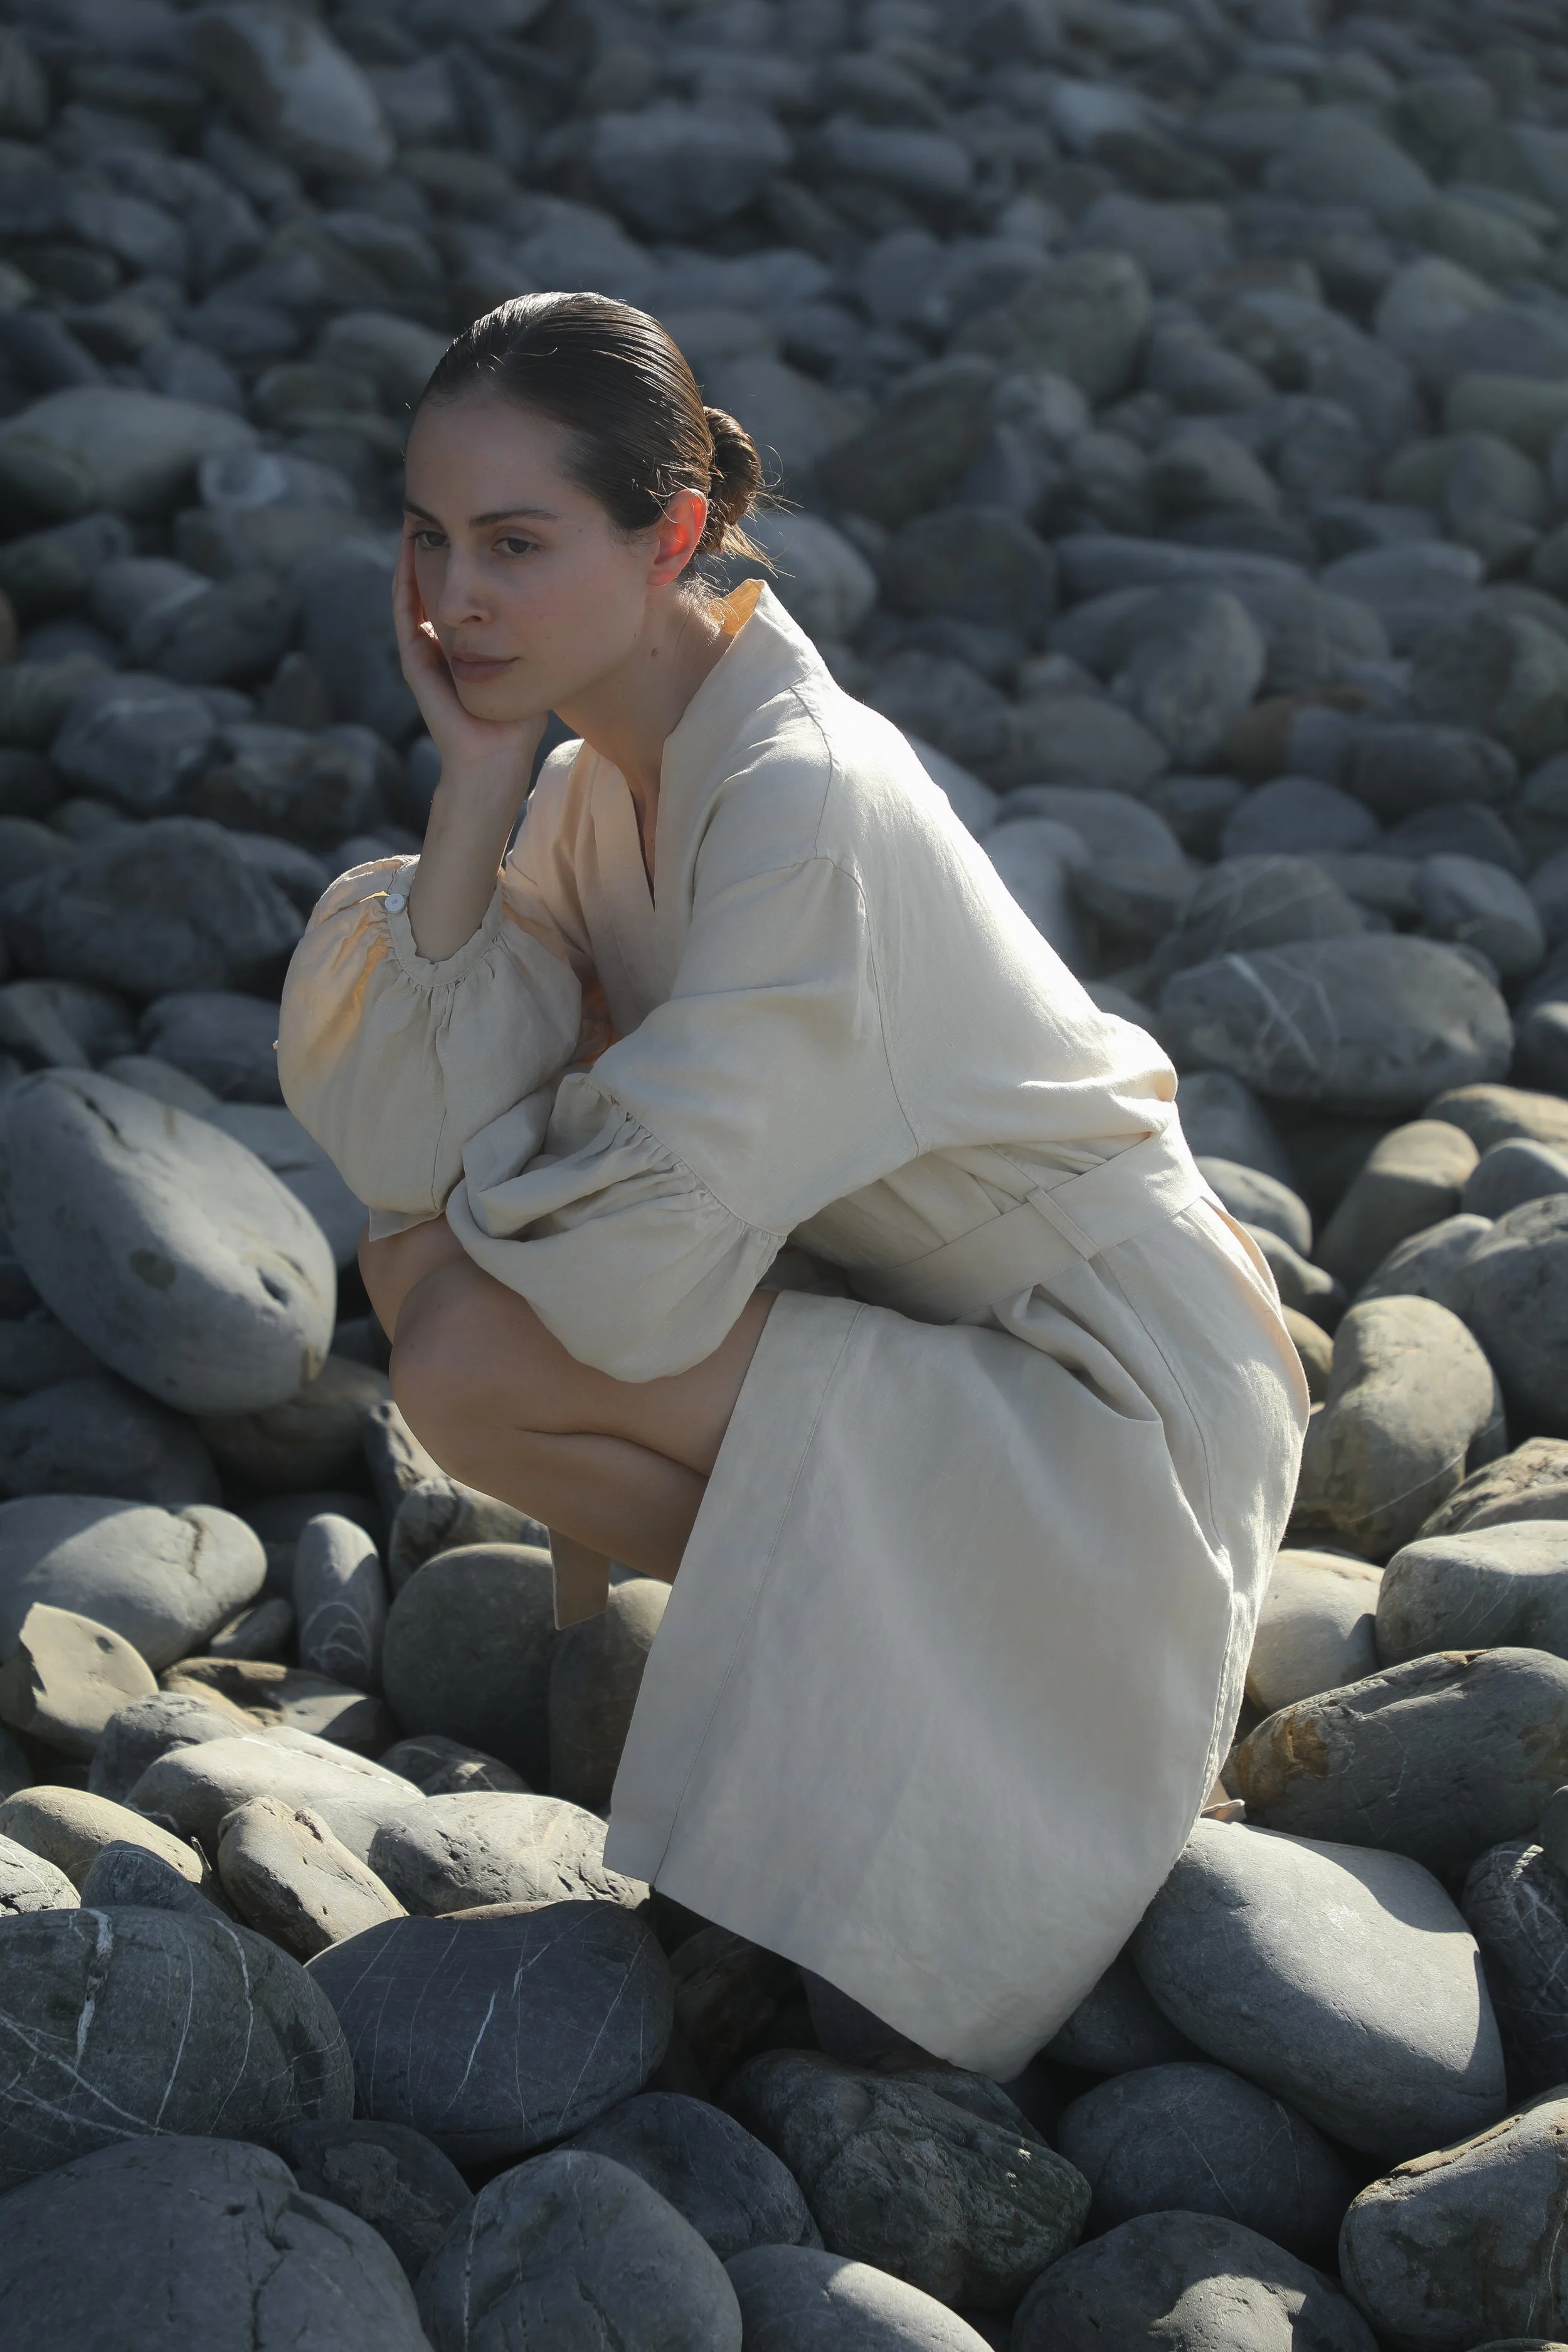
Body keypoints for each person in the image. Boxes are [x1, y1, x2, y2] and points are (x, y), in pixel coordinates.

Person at [277, 290, 1308, 2079]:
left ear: (672, 534)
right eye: (429, 539)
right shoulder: (595, 788)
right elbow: (405, 1136)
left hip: (1116, 1376)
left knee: (464, 1335)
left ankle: (1037, 1688)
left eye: (517, 543)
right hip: (934, 1317)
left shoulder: (799, 794)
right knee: (435, 1289)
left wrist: (531, 1141)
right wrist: (474, 786)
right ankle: (928, 1683)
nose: (455, 598)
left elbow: (623, 1275)